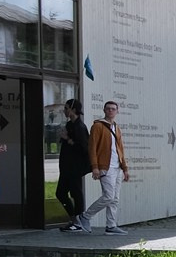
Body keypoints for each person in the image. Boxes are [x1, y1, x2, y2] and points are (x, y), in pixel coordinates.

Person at [76, 99, 131, 235]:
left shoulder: (116, 127)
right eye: (108, 108)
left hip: (117, 167)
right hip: (105, 167)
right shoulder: (98, 126)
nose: (110, 111)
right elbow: (92, 147)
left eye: (113, 109)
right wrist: (95, 166)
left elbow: (120, 148)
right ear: (104, 110)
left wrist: (125, 168)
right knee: (108, 196)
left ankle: (111, 226)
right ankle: (85, 216)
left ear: (117, 111)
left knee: (115, 198)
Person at [54, 97, 89, 227]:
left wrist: (68, 139)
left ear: (73, 110)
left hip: (75, 167)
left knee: (76, 192)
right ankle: (74, 217)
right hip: (66, 166)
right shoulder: (69, 125)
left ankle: (79, 220)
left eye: (66, 108)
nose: (64, 111)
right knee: (60, 193)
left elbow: (84, 148)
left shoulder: (80, 127)